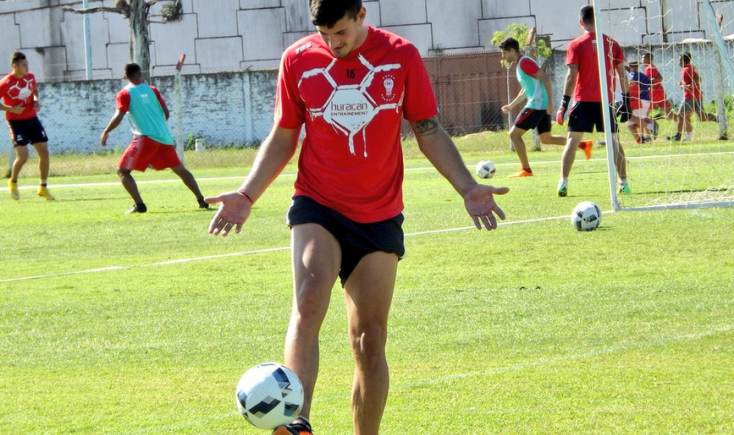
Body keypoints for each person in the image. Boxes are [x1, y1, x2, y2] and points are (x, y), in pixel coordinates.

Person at [206, 1, 508, 434]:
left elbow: (428, 129)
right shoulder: (298, 60)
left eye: (341, 32)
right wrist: (247, 194)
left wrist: (467, 187)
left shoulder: (401, 55)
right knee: (308, 302)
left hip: (379, 213)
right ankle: (296, 424)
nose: (333, 43)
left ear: (362, 15)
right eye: (325, 35)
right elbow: (284, 135)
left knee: (368, 340)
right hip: (318, 203)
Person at [100, 63, 208, 214]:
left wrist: (106, 131)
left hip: (145, 138)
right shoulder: (153, 90)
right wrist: (157, 125)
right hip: (164, 137)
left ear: (125, 77)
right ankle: (202, 200)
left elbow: (119, 115)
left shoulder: (124, 93)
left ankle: (139, 205)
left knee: (123, 171)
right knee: (180, 170)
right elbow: (166, 113)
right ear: (140, 74)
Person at [555, 5, 631, 197]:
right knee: (614, 141)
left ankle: (563, 183)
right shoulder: (612, 43)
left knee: (572, 141)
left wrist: (563, 104)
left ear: (581, 22)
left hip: (583, 100)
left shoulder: (576, 44)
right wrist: (628, 101)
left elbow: (571, 77)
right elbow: (622, 75)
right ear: (598, 19)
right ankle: (624, 183)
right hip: (607, 101)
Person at [498, 37, 592, 178]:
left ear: (512, 50)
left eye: (504, 53)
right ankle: (583, 145)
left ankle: (526, 170)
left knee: (514, 134)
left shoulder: (525, 63)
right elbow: (526, 89)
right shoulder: (521, 64)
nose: (503, 56)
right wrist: (512, 105)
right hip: (539, 104)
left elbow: (545, 78)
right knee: (546, 138)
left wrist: (550, 103)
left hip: (536, 105)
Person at [0, 52, 54, 201]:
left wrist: (36, 101)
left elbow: (34, 90)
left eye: (27, 65)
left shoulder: (30, 77)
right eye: (24, 65)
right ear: (15, 66)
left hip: (32, 119)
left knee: (44, 153)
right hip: (16, 123)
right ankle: (13, 181)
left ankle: (43, 187)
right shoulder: (5, 83)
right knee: (23, 156)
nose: (27, 68)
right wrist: (11, 109)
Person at [668, 52, 717, 142]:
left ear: (684, 60)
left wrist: (689, 86)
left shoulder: (687, 69)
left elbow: (698, 78)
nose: (678, 62)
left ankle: (679, 136)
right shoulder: (691, 67)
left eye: (679, 60)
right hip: (697, 96)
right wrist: (684, 84)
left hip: (690, 97)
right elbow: (699, 79)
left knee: (681, 115)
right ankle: (719, 119)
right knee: (701, 117)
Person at [642, 52, 677, 137]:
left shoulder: (650, 68)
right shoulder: (650, 68)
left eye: (643, 58)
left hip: (654, 94)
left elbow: (660, 78)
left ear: (648, 59)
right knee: (669, 113)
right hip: (660, 93)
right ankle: (684, 126)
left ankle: (648, 135)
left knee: (643, 113)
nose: (642, 60)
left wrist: (650, 82)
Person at [626, 60, 653, 143]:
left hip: (638, 101)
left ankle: (651, 127)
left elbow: (632, 87)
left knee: (632, 122)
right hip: (647, 99)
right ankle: (646, 136)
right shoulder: (643, 75)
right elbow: (650, 83)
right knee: (641, 119)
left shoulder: (631, 76)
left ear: (630, 67)